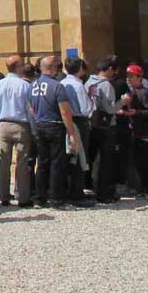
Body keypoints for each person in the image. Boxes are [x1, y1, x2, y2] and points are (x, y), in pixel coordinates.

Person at [29, 56, 83, 208]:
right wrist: (71, 132)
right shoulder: (57, 86)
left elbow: (31, 108)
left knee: (42, 163)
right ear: (52, 68)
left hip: (39, 125)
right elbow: (65, 112)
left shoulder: (32, 85)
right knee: (56, 164)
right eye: (57, 67)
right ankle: (56, 198)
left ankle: (40, 198)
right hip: (55, 125)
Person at [0, 57, 34, 207]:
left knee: (3, 161)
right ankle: (23, 197)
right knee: (22, 162)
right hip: (21, 124)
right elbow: (30, 109)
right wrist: (33, 128)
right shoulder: (25, 85)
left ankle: (4, 196)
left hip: (3, 124)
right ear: (18, 67)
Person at [85, 57, 121, 203]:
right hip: (105, 127)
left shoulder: (89, 81)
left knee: (89, 159)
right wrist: (122, 102)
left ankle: (87, 188)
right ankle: (105, 193)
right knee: (107, 161)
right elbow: (110, 108)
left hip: (90, 125)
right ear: (110, 69)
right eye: (115, 70)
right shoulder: (106, 85)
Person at [120, 63, 148, 197]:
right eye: (128, 76)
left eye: (132, 76)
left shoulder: (145, 93)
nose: (129, 79)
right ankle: (142, 188)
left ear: (139, 78)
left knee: (145, 164)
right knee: (138, 163)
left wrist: (135, 112)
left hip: (144, 133)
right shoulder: (132, 93)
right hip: (136, 132)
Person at [61, 57, 95, 204]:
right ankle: (77, 193)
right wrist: (91, 96)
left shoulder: (61, 83)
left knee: (69, 156)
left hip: (65, 122)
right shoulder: (78, 86)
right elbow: (86, 108)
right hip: (79, 121)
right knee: (80, 157)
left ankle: (68, 190)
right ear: (80, 69)